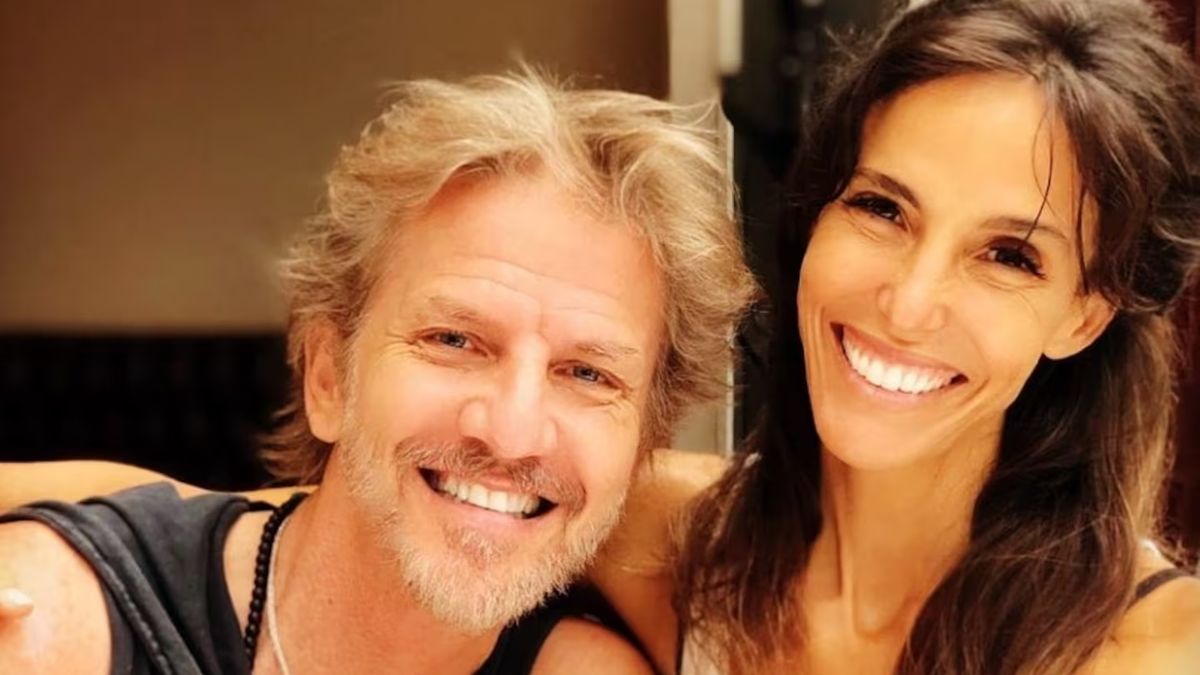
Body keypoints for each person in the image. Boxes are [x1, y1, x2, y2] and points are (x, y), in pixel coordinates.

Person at [5, 0, 1200, 673]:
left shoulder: (1155, 644)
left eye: (1009, 256)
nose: (909, 300)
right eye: (882, 209)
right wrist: (76, 554)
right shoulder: (675, 537)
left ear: (1086, 310)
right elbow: (264, 518)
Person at [0, 70, 755, 674]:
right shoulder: (49, 624)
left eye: (588, 374)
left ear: (644, 444)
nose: (513, 432)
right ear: (328, 377)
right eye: (454, 339)